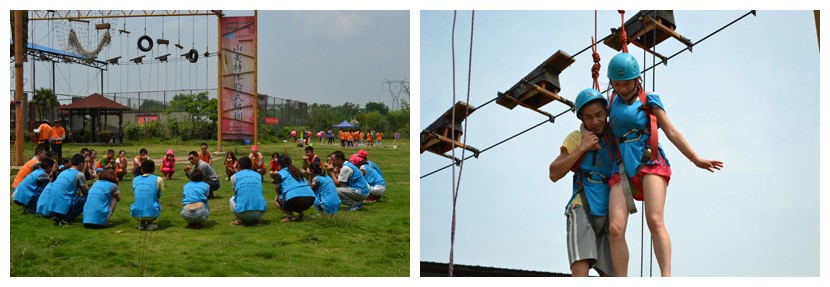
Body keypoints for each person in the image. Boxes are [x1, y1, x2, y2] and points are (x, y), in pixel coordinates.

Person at [605, 52, 723, 276]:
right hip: (621, 165)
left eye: (626, 83)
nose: (622, 88)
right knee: (615, 228)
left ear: (637, 78)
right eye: (617, 84)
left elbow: (669, 130)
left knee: (654, 219)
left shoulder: (649, 99)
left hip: (649, 159)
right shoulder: (610, 102)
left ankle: (666, 277)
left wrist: (695, 158)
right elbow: (592, 122)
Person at [548, 88, 617, 277]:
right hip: (582, 207)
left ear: (607, 112)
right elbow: (554, 173)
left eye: (599, 115)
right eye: (588, 117)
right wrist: (582, 147)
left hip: (609, 212)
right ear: (582, 120)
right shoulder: (577, 138)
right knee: (581, 271)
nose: (595, 122)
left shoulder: (614, 136)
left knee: (611, 274)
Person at [42, 154, 89, 225]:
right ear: (82, 164)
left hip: (53, 204)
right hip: (64, 202)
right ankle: (68, 218)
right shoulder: (79, 174)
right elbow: (85, 192)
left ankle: (59, 216)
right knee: (85, 199)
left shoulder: (63, 172)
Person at [273, 154, 316, 222]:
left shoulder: (280, 173)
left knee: (277, 199)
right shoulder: (297, 171)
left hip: (295, 199)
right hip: (311, 199)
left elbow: (277, 190)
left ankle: (290, 216)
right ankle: (301, 214)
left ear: (280, 165)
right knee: (298, 195)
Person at [230, 156, 267, 225]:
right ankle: (258, 219)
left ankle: (239, 220)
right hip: (260, 211)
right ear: (251, 165)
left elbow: (236, 194)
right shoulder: (258, 176)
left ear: (239, 166)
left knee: (232, 199)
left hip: (243, 212)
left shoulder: (234, 177)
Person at [130, 159, 164, 231]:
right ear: (154, 169)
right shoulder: (159, 179)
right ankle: (150, 223)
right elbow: (158, 195)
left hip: (135, 213)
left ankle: (141, 223)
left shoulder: (135, 179)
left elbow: (136, 193)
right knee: (157, 202)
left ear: (141, 170)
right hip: (152, 214)